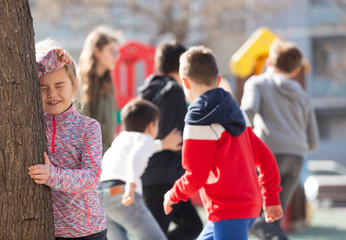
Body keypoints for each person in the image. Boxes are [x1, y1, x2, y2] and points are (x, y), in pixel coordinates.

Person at [163, 46, 283, 240]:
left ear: (184, 82)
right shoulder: (238, 113)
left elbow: (196, 176)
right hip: (245, 206)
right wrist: (270, 198)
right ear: (218, 80)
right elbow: (266, 157)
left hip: (228, 211)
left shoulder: (197, 121)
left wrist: (173, 194)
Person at [241, 39, 319, 240]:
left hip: (268, 155)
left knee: (250, 215)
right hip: (297, 157)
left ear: (269, 62)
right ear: (295, 71)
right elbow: (313, 141)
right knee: (273, 216)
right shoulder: (302, 95)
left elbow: (247, 113)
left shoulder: (257, 83)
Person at [28, 39, 107, 239]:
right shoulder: (31, 125)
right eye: (43, 87)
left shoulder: (88, 127)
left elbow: (91, 177)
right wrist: (50, 58)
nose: (51, 93)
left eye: (59, 85)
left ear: (74, 86)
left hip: (88, 231)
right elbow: (23, 77)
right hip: (50, 232)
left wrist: (51, 176)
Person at [138, 41, 203, 240]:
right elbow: (176, 134)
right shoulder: (173, 90)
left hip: (151, 171)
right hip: (165, 174)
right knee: (159, 234)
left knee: (192, 224)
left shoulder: (148, 89)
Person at [98, 98, 182, 240]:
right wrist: (131, 186)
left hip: (101, 195)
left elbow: (141, 148)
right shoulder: (145, 138)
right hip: (122, 191)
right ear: (151, 126)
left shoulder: (121, 139)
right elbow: (136, 155)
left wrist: (163, 144)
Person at [78, 26, 120, 154]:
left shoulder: (108, 83)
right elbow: (82, 131)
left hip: (108, 157)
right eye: (112, 51)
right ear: (97, 51)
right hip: (90, 160)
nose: (116, 57)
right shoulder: (80, 85)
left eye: (117, 52)